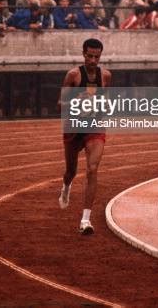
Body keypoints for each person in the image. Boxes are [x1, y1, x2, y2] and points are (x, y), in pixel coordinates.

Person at [58, 38, 111, 235]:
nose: (93, 60)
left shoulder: (105, 76)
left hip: (94, 126)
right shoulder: (73, 75)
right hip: (73, 127)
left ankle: (85, 220)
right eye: (90, 56)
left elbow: (106, 103)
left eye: (97, 57)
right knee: (71, 171)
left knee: (92, 168)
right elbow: (60, 105)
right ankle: (66, 186)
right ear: (83, 54)